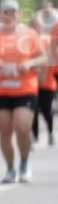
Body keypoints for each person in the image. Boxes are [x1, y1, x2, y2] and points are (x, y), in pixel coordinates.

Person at [0, 0, 48, 182]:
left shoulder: (29, 34)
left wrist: (29, 63)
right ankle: (10, 168)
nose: (9, 15)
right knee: (4, 130)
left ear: (18, 14)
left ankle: (24, 162)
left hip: (24, 89)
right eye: (5, 12)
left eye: (13, 12)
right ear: (0, 14)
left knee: (22, 126)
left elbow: (44, 58)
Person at [30, 15, 56, 147]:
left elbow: (51, 59)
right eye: (33, 25)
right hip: (32, 83)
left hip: (48, 82)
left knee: (46, 109)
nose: (36, 27)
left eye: (38, 24)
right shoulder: (27, 41)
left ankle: (51, 132)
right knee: (32, 109)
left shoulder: (47, 40)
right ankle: (34, 136)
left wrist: (44, 75)